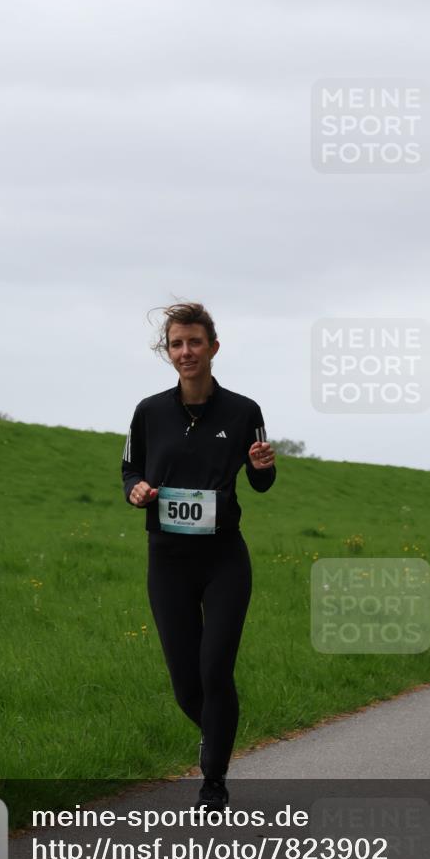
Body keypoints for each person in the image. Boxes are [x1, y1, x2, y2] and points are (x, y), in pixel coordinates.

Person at [121, 301, 277, 811]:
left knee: (215, 670)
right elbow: (129, 471)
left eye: (194, 342)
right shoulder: (148, 412)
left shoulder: (243, 411)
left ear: (213, 346)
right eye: (176, 344)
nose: (185, 352)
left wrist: (259, 466)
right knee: (187, 684)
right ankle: (217, 732)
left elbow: (262, 482)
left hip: (223, 559)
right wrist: (137, 490)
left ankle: (214, 780)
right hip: (167, 560)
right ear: (168, 353)